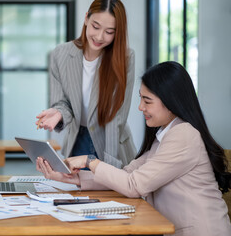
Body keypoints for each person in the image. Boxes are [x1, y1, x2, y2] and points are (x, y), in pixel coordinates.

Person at [36, 61, 231, 236]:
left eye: (147, 101)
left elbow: (134, 185)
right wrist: (71, 178)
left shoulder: (184, 136)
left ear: (171, 102)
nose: (140, 107)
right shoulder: (165, 135)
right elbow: (126, 174)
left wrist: (89, 160)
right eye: (141, 99)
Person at [35, 0, 136, 168]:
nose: (99, 36)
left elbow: (116, 117)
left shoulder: (125, 58)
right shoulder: (60, 54)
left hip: (112, 142)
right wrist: (59, 114)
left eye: (109, 32)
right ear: (86, 18)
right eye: (96, 26)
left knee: (110, 194)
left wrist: (109, 166)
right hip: (77, 140)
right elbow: (62, 102)